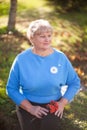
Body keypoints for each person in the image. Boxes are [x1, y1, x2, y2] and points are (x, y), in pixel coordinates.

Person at [6, 19, 80, 130]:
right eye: (42, 36)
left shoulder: (60, 58)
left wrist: (62, 103)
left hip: (53, 104)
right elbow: (11, 88)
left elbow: (74, 82)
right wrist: (30, 108)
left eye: (49, 35)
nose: (47, 39)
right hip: (27, 103)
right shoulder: (21, 60)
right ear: (32, 38)